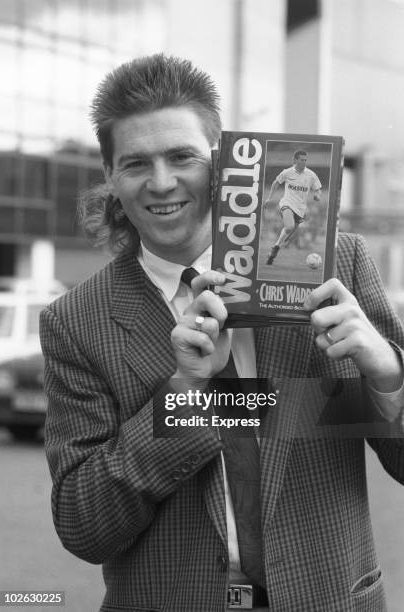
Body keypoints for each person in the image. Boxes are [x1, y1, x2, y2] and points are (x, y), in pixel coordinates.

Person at [40, 54, 404, 612]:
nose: (162, 183)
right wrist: (186, 396)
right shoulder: (76, 323)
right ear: (110, 177)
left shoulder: (332, 265)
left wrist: (388, 376)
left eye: (181, 156)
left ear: (220, 161)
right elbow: (85, 526)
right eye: (136, 164)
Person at [265, 150, 322, 265]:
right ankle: (276, 247)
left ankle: (275, 248)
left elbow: (318, 189)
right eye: (301, 160)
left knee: (289, 231)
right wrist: (269, 198)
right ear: (295, 160)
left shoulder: (311, 175)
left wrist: (317, 195)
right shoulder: (287, 172)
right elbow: (276, 183)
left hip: (300, 209)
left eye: (305, 160)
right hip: (287, 203)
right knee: (289, 226)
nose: (304, 162)